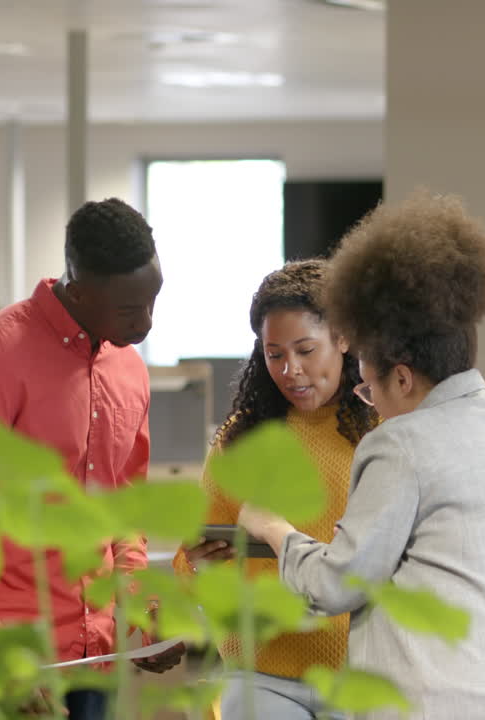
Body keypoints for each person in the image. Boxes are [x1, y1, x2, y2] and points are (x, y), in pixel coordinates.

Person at [239, 192, 485, 719]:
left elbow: (337, 583)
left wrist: (273, 529)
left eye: (369, 388)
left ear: (401, 375)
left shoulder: (400, 443)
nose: (369, 401)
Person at [0, 198, 184, 720]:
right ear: (78, 287)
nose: (146, 322)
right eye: (128, 308)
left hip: (97, 657)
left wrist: (143, 608)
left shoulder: (129, 369)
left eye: (153, 300)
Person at [174, 259, 379, 719]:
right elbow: (192, 567)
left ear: (343, 338)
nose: (290, 370)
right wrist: (202, 564)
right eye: (274, 354)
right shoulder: (240, 439)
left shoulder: (383, 433)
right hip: (261, 673)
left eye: (306, 350)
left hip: (361, 671)